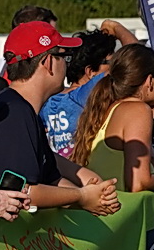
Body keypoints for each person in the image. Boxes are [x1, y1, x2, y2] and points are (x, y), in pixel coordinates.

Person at [0, 22, 120, 217]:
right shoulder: (15, 113)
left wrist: (93, 195)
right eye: (64, 56)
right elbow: (23, 192)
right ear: (48, 62)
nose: (67, 64)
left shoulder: (22, 108)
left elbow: (52, 178)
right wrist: (81, 196)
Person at [68, 44, 154, 192]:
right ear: (150, 81)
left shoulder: (110, 108)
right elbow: (139, 183)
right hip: (124, 211)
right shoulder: (137, 110)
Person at [42, 29, 117, 157]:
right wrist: (118, 29)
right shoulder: (85, 95)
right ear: (90, 71)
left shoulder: (48, 102)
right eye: (112, 62)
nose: (114, 67)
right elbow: (133, 65)